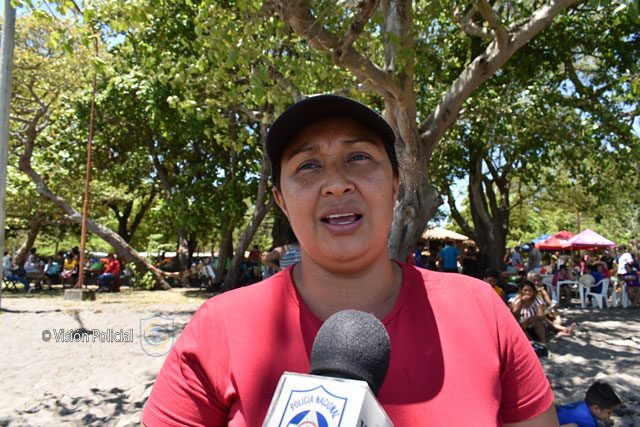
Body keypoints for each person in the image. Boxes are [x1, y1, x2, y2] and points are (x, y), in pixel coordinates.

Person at [142, 95, 557, 425]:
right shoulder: (217, 328)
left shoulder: (482, 310)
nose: (337, 184)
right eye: (308, 165)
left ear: (395, 185)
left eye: (358, 157)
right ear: (281, 200)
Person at [556, 381, 621, 427]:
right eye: (608, 412)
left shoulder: (581, 404)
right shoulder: (588, 422)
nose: (610, 415)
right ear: (596, 408)